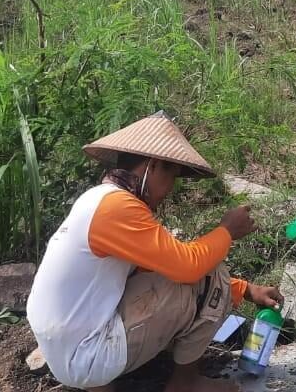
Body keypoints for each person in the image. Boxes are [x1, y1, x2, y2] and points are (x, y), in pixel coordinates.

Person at [27, 111, 283, 392]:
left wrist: (245, 289)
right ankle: (185, 383)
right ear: (153, 165)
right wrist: (226, 231)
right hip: (86, 355)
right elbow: (188, 269)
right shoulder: (119, 207)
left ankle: (101, 382)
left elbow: (156, 268)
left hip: (64, 348)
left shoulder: (98, 200)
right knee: (213, 272)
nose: (171, 188)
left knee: (179, 275)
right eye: (172, 175)